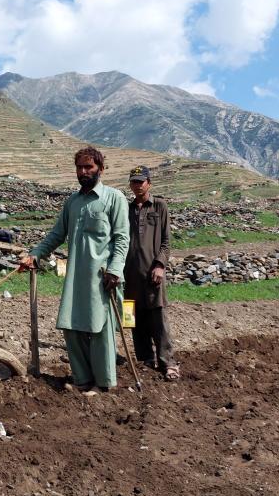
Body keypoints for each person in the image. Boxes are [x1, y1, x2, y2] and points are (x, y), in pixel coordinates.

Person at [18, 147, 129, 394]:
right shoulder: (73, 202)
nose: (83, 172)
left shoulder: (114, 198)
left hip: (103, 277)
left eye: (88, 167)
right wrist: (35, 254)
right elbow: (57, 235)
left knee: (100, 328)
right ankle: (82, 380)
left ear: (100, 168)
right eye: (79, 167)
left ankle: (103, 384)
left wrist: (115, 269)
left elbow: (122, 239)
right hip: (76, 277)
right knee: (72, 326)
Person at [123, 166, 180, 380]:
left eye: (141, 181)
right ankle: (145, 358)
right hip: (129, 275)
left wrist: (160, 264)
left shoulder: (159, 206)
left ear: (149, 183)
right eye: (134, 181)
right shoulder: (125, 210)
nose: (137, 185)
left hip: (152, 273)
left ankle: (168, 362)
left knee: (159, 319)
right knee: (132, 319)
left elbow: (166, 242)